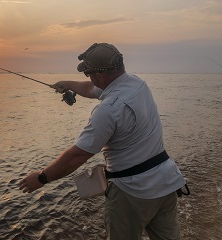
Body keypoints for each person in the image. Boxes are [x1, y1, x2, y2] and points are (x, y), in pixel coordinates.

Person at [19, 43, 186, 240]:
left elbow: (78, 155)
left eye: (88, 73)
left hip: (133, 192)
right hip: (166, 182)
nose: (89, 78)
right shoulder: (137, 84)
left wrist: (42, 177)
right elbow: (92, 89)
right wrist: (68, 84)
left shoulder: (107, 111)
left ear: (98, 76)